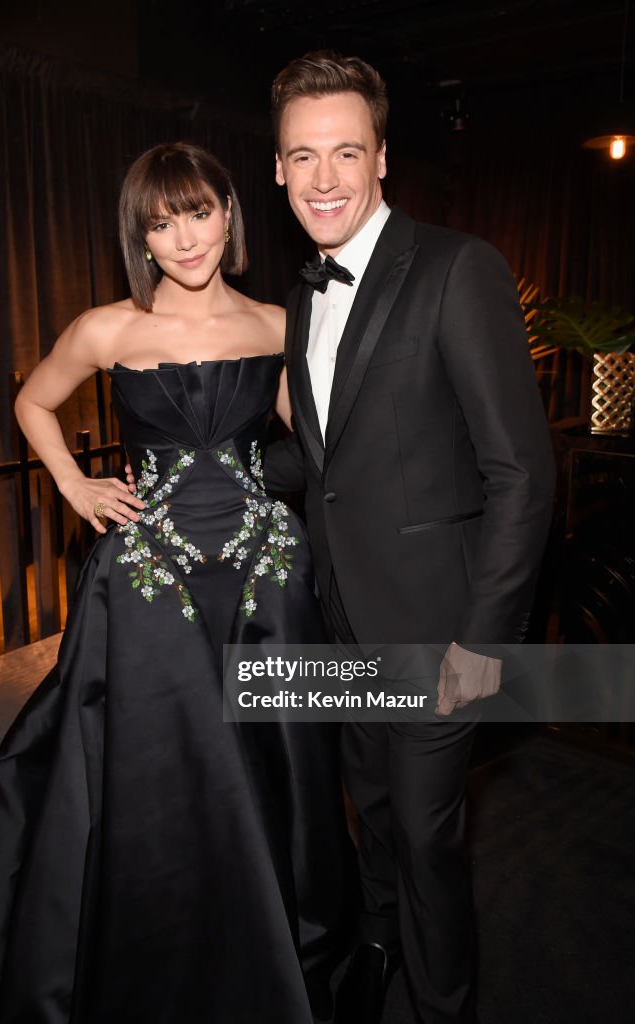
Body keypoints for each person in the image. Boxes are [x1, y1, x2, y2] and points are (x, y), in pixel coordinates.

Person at [0, 142, 353, 1024]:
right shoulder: (107, 328)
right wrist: (72, 482)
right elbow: (33, 401)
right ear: (140, 235)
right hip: (148, 588)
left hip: (264, 580)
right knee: (161, 779)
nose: (184, 238)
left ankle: (277, 953)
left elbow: (326, 445)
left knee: (275, 770)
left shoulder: (275, 322)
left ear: (230, 212)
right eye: (160, 221)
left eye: (199, 212)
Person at [264, 52, 557, 1024]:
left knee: (430, 840)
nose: (323, 178)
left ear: (381, 157)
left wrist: (482, 646)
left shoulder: (455, 266)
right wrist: (209, 485)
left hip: (440, 630)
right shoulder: (303, 290)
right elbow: (326, 459)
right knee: (375, 818)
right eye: (301, 156)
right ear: (275, 168)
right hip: (344, 617)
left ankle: (443, 1005)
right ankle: (377, 950)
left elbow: (520, 472)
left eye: (344, 151)